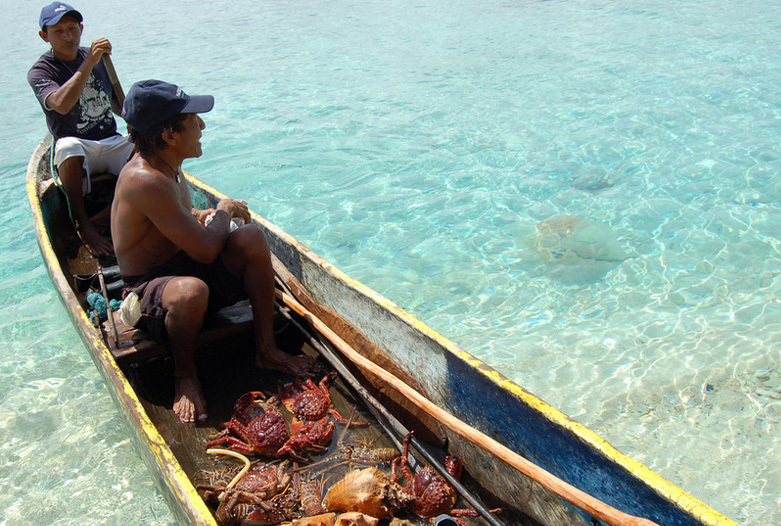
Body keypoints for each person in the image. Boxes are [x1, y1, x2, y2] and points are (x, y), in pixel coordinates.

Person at [111, 79, 319, 423]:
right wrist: (222, 209)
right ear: (169, 136)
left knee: (250, 236)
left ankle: (267, 350)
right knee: (192, 291)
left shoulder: (165, 163)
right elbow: (207, 252)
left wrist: (198, 214)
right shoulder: (144, 179)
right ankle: (185, 374)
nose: (202, 126)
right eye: (194, 121)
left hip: (181, 262)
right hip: (151, 291)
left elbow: (169, 216)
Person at [28, 2, 134, 257]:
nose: (68, 36)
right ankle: (84, 224)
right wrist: (88, 63)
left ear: (81, 29)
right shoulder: (41, 71)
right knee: (68, 145)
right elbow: (62, 105)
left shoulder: (99, 59)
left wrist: (137, 116)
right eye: (59, 31)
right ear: (45, 36)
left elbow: (119, 104)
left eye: (72, 29)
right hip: (76, 151)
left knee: (146, 142)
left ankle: (107, 214)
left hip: (109, 141)